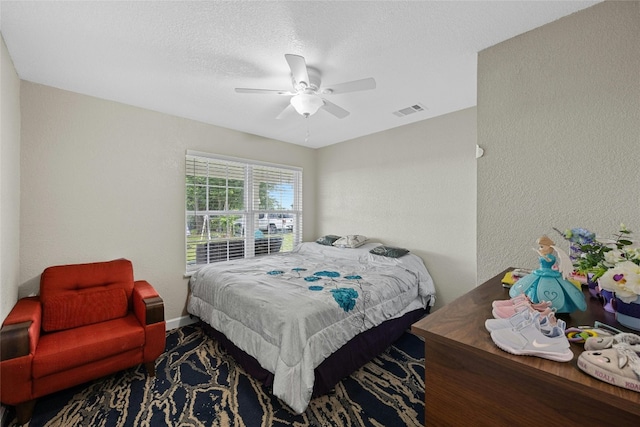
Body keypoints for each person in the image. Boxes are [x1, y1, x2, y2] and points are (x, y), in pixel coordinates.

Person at [509, 235, 587, 313]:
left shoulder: (550, 257)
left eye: (542, 246)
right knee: (533, 287)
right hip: (541, 271)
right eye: (540, 247)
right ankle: (533, 303)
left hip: (548, 272)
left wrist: (540, 253)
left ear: (548, 246)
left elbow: (547, 260)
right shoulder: (544, 255)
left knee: (551, 288)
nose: (540, 248)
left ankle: (548, 306)